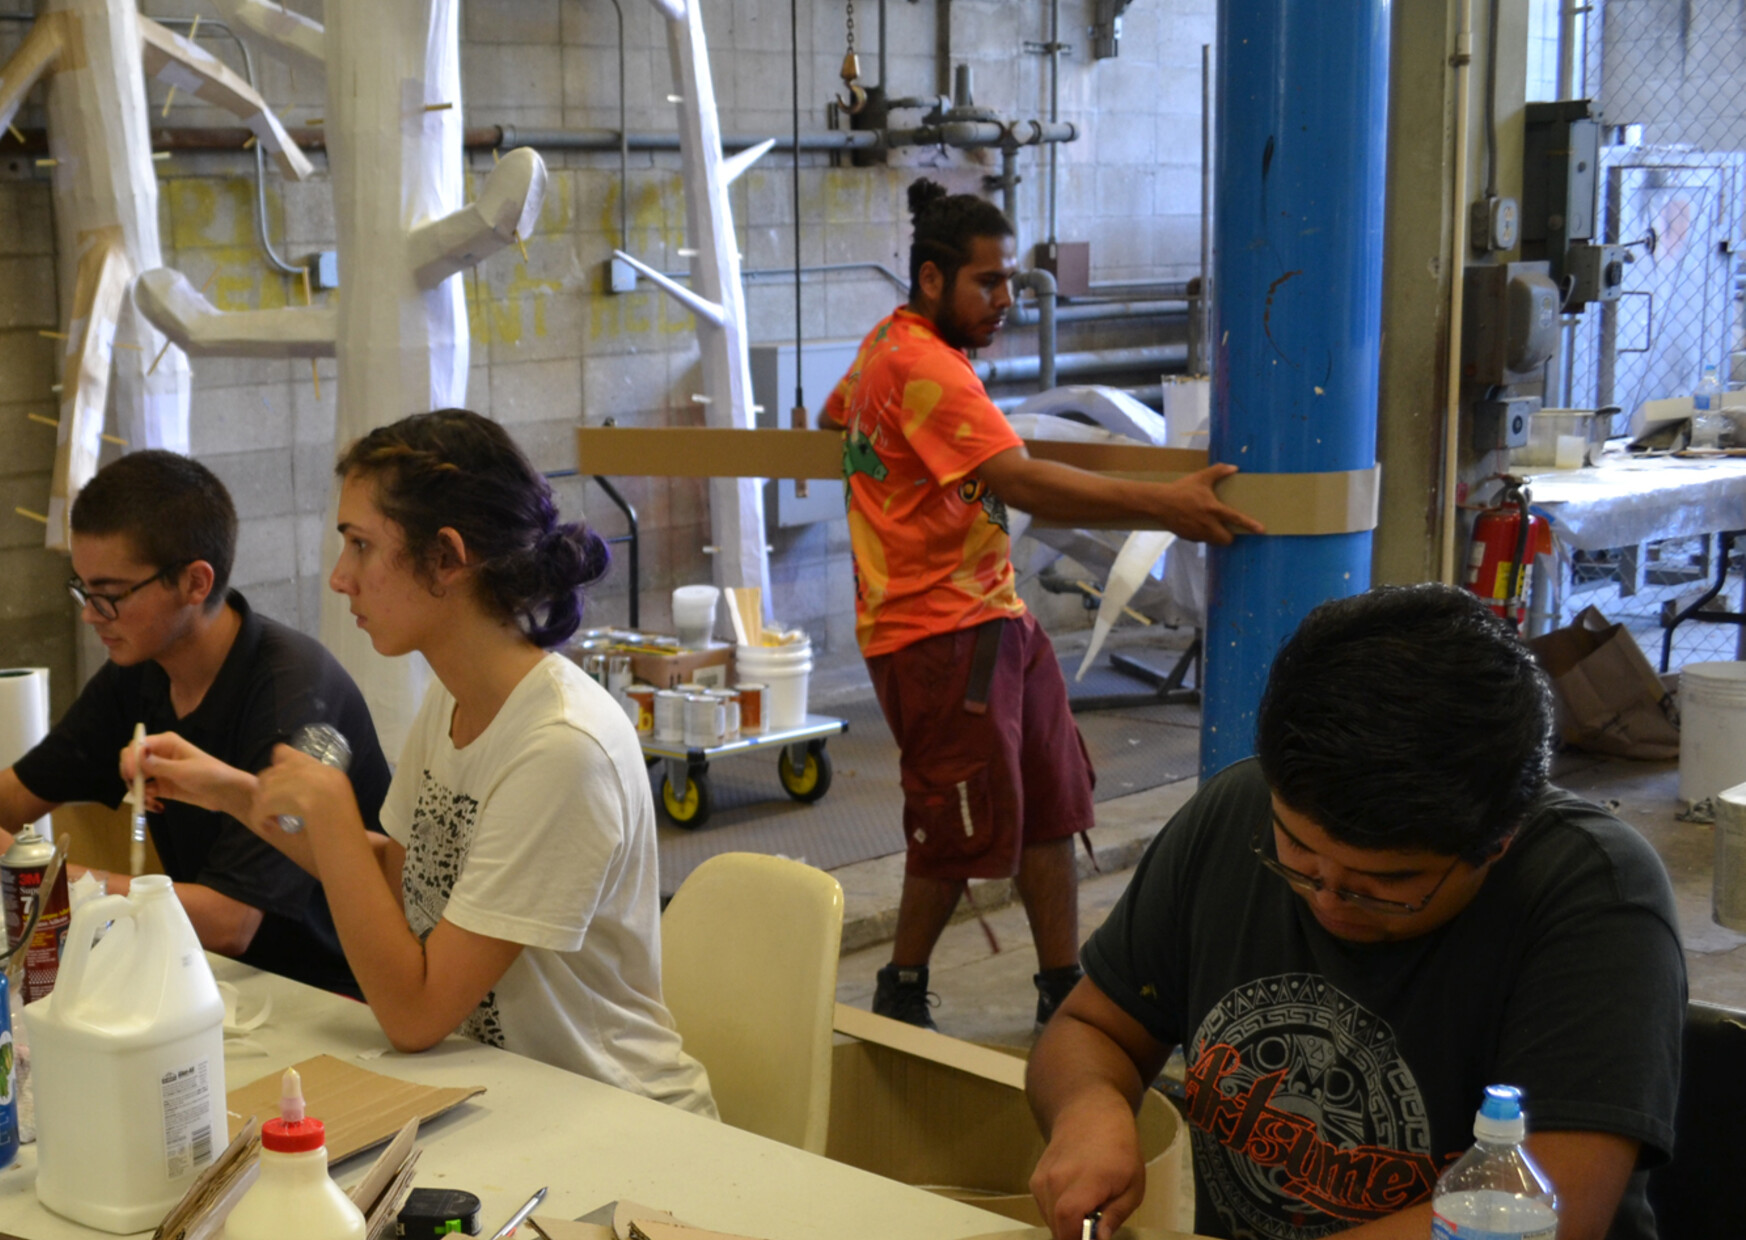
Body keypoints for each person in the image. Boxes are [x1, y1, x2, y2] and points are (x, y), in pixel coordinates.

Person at [1027, 585, 1684, 1240]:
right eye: (1299, 854)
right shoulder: (1235, 813)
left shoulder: (1594, 896)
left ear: (1499, 841)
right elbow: (1095, 1029)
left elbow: (1547, 1217)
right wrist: (1090, 1110)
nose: (1327, 898)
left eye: (1383, 884)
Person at [137, 410, 715, 1115]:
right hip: (506, 1094)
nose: (340, 578)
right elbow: (407, 883)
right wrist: (232, 793)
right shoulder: (453, 701)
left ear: (446, 557)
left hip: (618, 1115)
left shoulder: (561, 747)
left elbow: (414, 1014)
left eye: (361, 546)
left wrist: (330, 810)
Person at [822, 178, 1263, 1029]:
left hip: (993, 617)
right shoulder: (920, 366)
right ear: (929, 279)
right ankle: (900, 993)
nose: (1006, 301)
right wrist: (1166, 504)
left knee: (1052, 803)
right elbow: (1020, 479)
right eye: (988, 283)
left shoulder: (892, 347)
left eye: (1012, 282)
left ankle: (1062, 986)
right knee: (953, 827)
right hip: (934, 633)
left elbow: (839, 417)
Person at [0, 450, 392, 994]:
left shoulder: (290, 697)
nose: (89, 614)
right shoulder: (142, 669)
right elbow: (13, 798)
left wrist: (35, 879)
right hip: (215, 980)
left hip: (332, 995)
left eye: (110, 595)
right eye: (82, 589)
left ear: (196, 583)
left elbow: (231, 923)